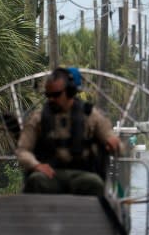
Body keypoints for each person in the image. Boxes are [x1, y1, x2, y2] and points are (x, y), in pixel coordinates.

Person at [16, 67, 121, 196]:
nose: (51, 99)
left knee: (94, 183)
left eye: (56, 95)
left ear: (70, 92)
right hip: (50, 174)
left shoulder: (91, 116)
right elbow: (22, 150)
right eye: (48, 95)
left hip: (82, 174)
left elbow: (112, 140)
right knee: (36, 180)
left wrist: (114, 144)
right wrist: (36, 165)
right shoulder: (38, 118)